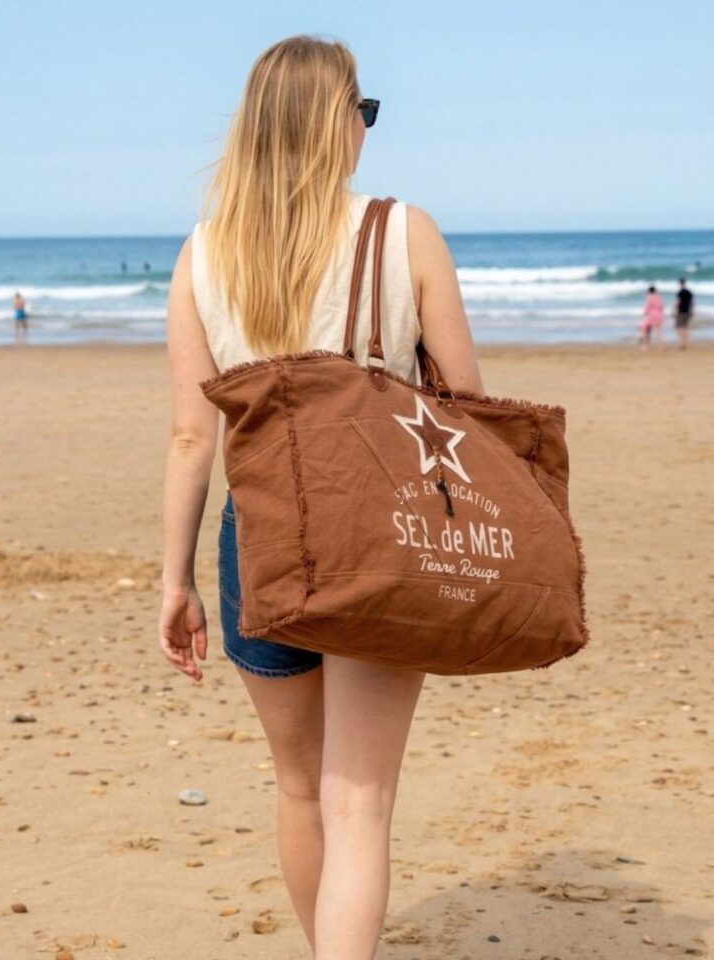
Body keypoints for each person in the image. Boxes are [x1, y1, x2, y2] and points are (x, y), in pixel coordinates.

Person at [158, 35, 483, 960]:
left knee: (300, 788)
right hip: (381, 533)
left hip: (255, 537)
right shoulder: (401, 231)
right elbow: (467, 405)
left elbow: (192, 435)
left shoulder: (204, 256)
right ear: (331, 122)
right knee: (361, 801)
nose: (366, 129)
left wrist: (173, 579)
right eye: (362, 110)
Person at [639, 285, 664, 351]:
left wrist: (644, 313)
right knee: (659, 332)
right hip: (659, 316)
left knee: (646, 331)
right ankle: (660, 347)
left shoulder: (649, 297)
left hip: (650, 316)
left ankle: (646, 347)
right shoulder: (658, 297)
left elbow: (647, 307)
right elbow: (661, 307)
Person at [674, 278, 694, 349]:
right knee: (686, 327)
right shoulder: (689, 292)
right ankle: (686, 343)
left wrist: (674, 310)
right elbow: (692, 303)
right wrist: (692, 311)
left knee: (679, 327)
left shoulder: (680, 292)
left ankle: (682, 343)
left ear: (680, 284)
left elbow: (678, 302)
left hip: (681, 312)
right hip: (688, 311)